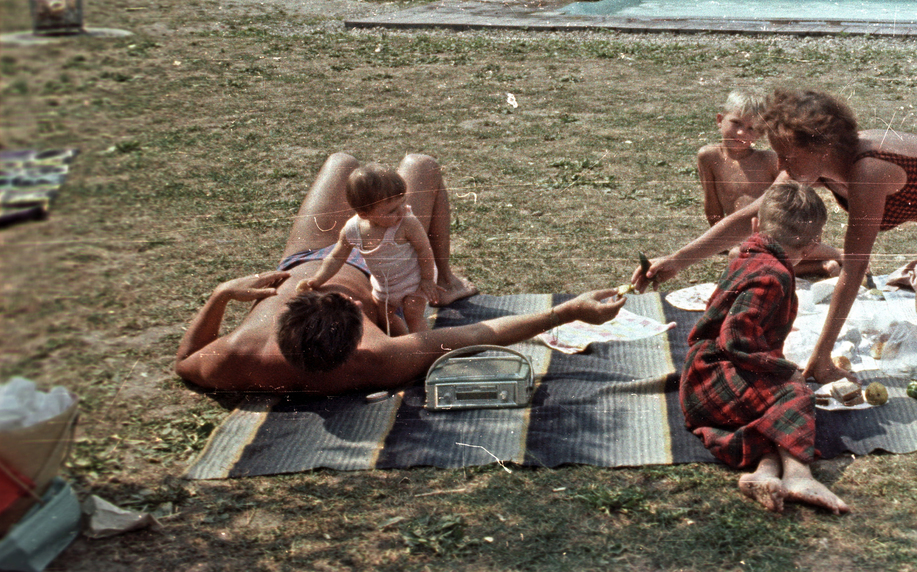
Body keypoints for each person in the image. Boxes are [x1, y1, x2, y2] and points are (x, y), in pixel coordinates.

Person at [636, 89, 917, 386]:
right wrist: (676, 260)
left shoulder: (867, 173)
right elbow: (752, 212)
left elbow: (854, 270)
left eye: (788, 153)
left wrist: (821, 356)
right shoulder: (817, 164)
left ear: (822, 146)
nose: (780, 164)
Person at [175, 153, 623, 393]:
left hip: (301, 260)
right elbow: (481, 334)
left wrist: (220, 294)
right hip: (359, 253)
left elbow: (183, 360)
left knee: (340, 161)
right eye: (352, 304)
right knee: (421, 166)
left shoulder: (235, 357)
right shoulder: (380, 359)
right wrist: (568, 312)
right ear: (358, 327)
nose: (347, 296)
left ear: (284, 313)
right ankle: (446, 281)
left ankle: (441, 275)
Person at [680, 181, 847, 514]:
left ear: (756, 225)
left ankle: (766, 472)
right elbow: (735, 340)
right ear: (813, 246)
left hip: (700, 377)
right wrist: (787, 371)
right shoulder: (774, 277)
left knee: (770, 409)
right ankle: (800, 476)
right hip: (714, 379)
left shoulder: (747, 254)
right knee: (794, 394)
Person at [699, 91, 841, 277]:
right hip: (748, 237)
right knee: (737, 255)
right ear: (720, 120)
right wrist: (719, 240)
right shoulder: (708, 157)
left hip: (783, 234)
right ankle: (823, 267)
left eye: (751, 129)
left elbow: (800, 198)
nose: (741, 132)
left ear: (760, 133)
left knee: (747, 256)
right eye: (736, 123)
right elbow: (712, 202)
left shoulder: (769, 160)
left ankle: (842, 256)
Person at [295, 164, 439, 336]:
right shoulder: (353, 230)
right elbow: (336, 257)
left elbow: (424, 250)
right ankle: (402, 341)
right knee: (385, 319)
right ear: (364, 214)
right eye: (391, 211)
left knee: (412, 313)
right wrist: (318, 280)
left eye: (403, 203)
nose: (401, 211)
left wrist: (427, 279)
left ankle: (423, 350)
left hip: (415, 278)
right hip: (385, 286)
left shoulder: (407, 223)